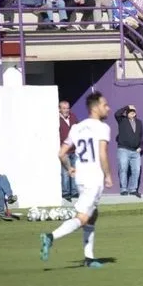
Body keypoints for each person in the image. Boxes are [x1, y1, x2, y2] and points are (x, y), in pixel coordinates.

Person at [41, 91, 113, 268]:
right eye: (105, 105)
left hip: (81, 176)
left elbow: (61, 153)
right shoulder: (102, 127)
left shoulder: (76, 127)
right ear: (95, 108)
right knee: (83, 217)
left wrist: (69, 168)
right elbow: (102, 153)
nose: (108, 108)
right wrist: (108, 175)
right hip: (94, 177)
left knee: (92, 215)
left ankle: (89, 258)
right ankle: (50, 237)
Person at [114, 104, 143, 197]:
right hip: (123, 150)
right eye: (130, 111)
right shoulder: (122, 120)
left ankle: (133, 189)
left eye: (133, 111)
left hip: (135, 151)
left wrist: (140, 146)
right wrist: (127, 107)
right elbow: (116, 114)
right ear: (127, 113)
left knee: (136, 170)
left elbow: (140, 136)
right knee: (123, 168)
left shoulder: (139, 122)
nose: (132, 113)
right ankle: (123, 189)